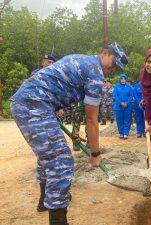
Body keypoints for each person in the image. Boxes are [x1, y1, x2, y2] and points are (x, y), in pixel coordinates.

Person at [10, 42, 128, 224]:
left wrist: (53, 107)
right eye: (113, 63)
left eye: (117, 68)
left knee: (48, 156)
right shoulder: (95, 74)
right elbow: (91, 119)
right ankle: (58, 218)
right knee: (61, 161)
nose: (113, 69)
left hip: (31, 102)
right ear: (105, 53)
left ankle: (45, 201)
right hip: (34, 104)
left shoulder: (84, 60)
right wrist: (96, 154)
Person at [113, 73, 133, 139]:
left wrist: (126, 103)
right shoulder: (116, 87)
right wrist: (121, 103)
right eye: (122, 79)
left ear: (126, 80)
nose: (123, 80)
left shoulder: (129, 88)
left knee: (127, 120)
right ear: (120, 79)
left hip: (127, 107)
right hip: (118, 107)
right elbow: (115, 96)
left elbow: (131, 96)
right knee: (119, 120)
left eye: (124, 79)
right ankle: (121, 133)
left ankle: (126, 134)